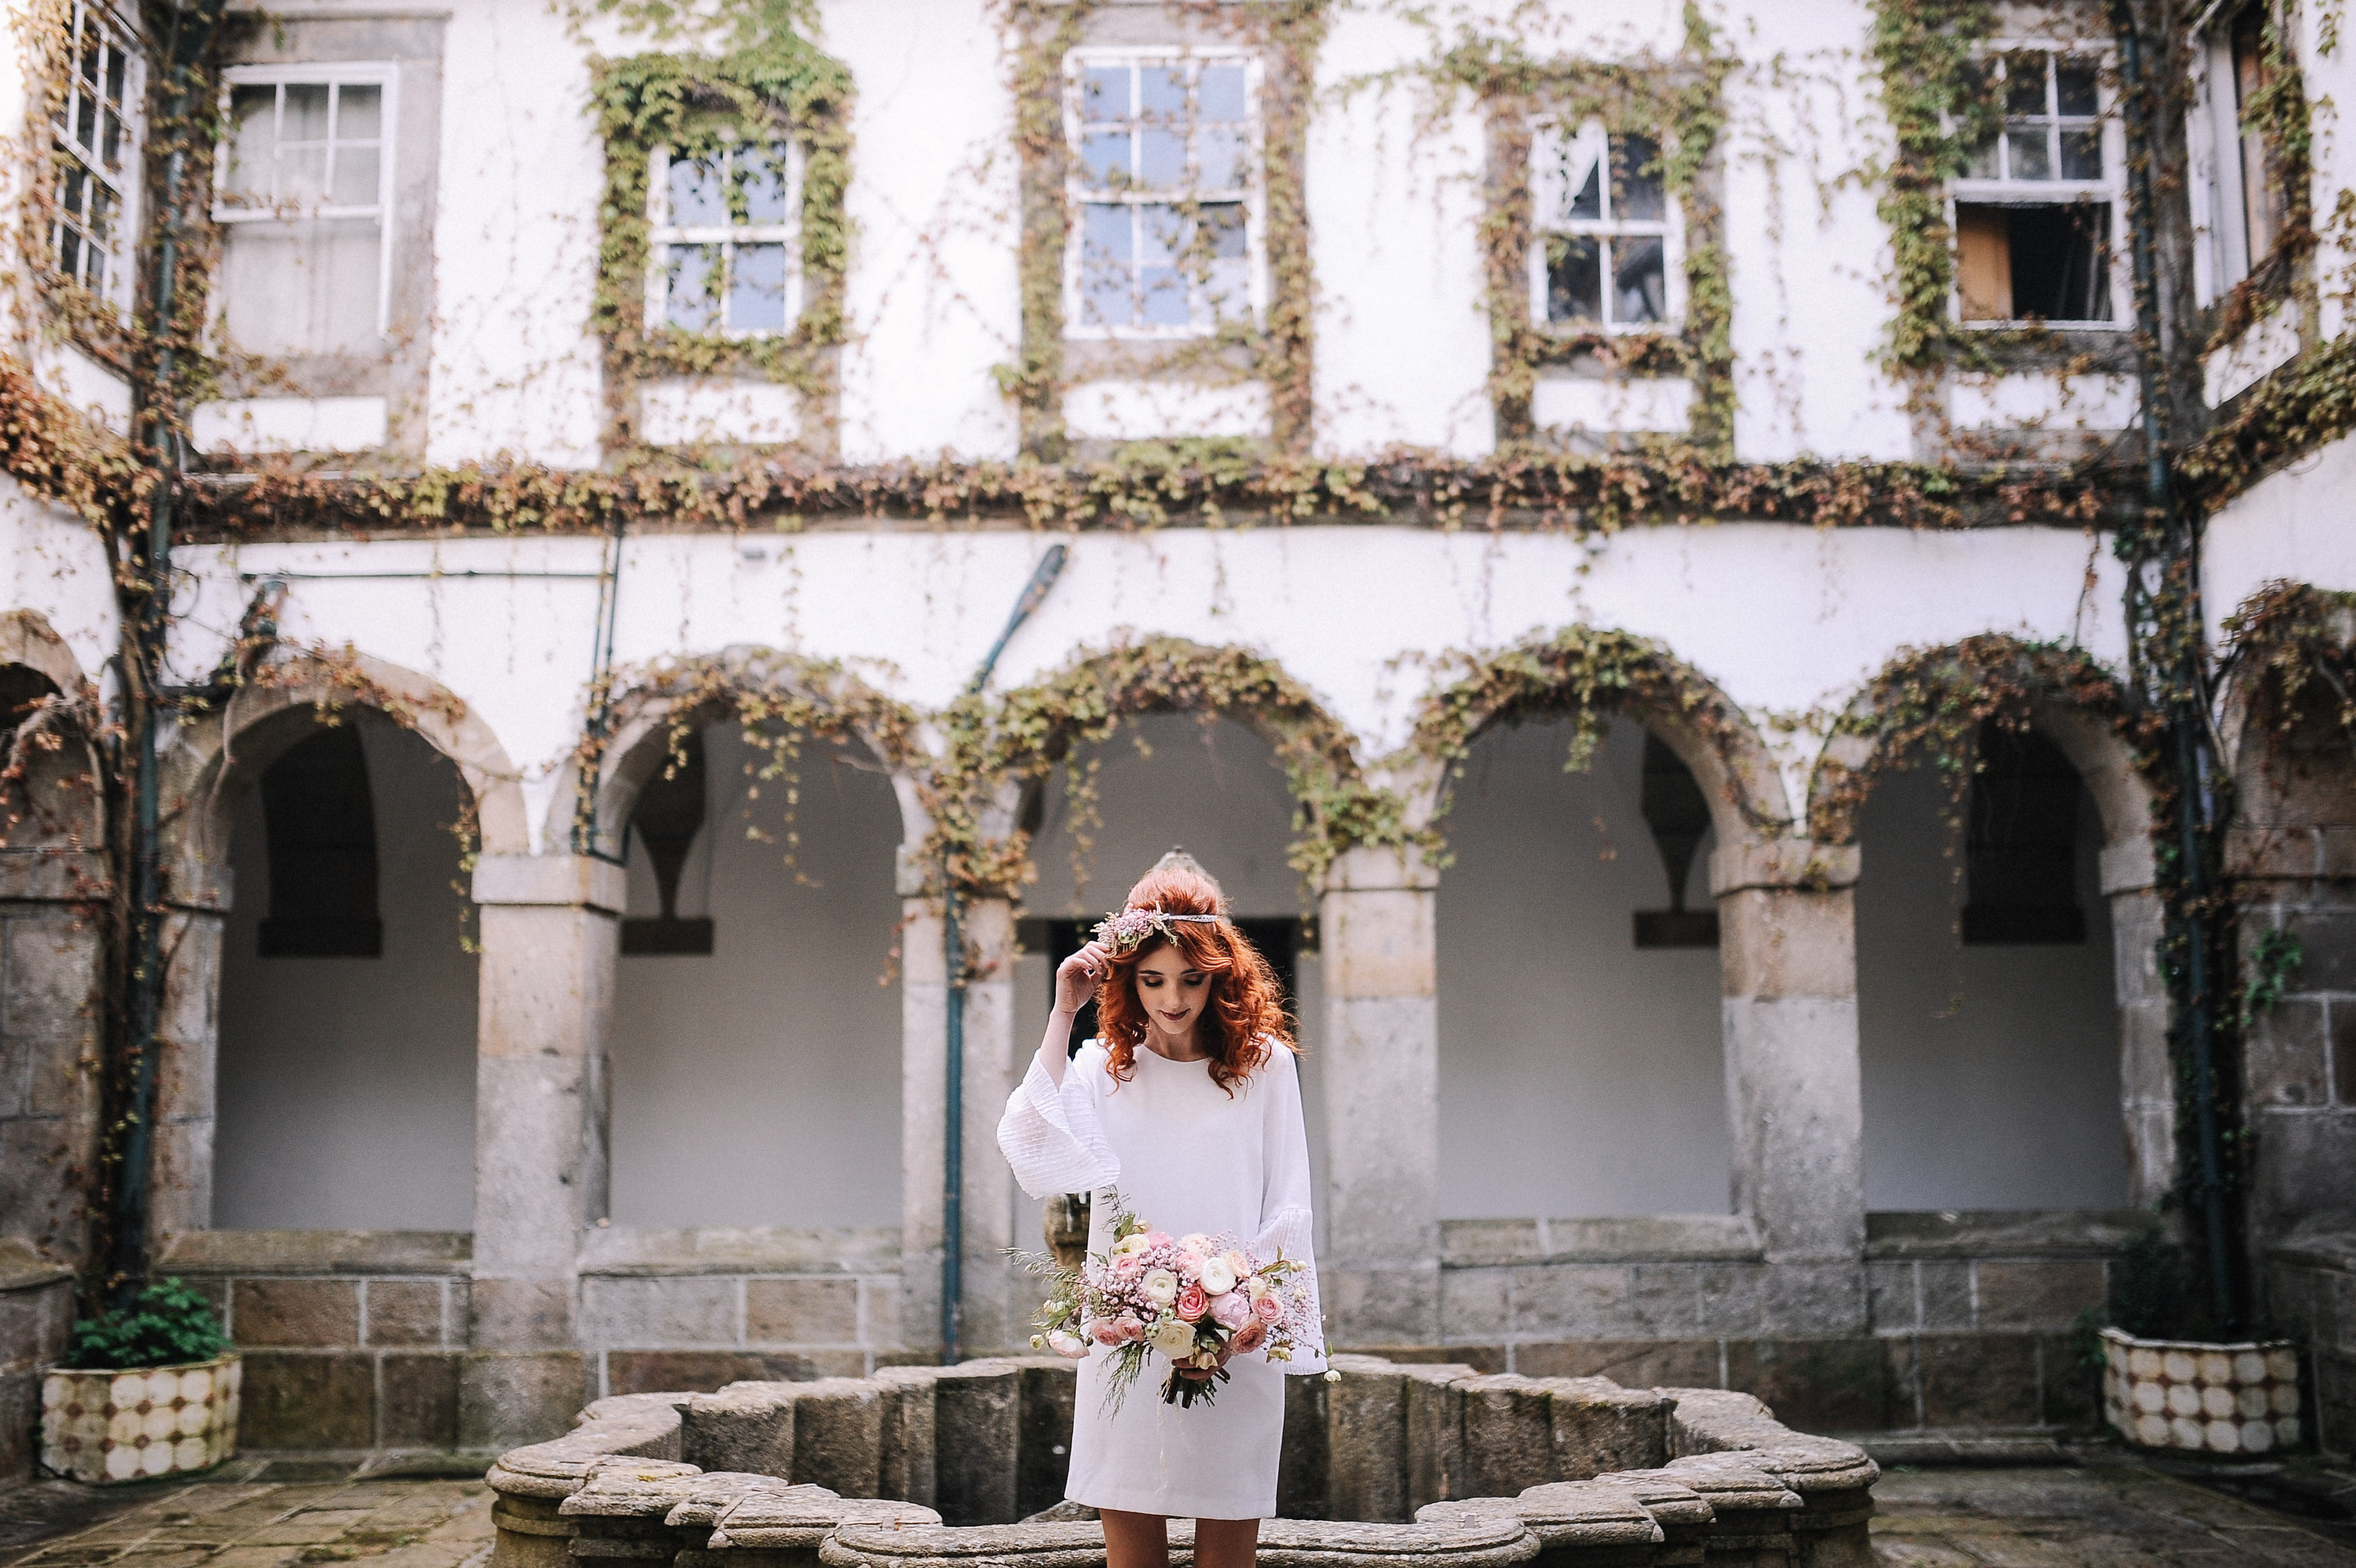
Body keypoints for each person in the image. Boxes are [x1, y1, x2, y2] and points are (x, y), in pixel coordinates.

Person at [997, 855, 1325, 1568]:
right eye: (1152, 979)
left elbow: (1287, 1200)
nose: (1172, 998)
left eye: (1191, 978)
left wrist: (1247, 1318)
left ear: (1220, 975)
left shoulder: (1265, 1064)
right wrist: (1063, 1010)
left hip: (1237, 1337)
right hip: (1127, 1333)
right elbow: (1027, 1140)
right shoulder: (1101, 1068)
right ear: (1127, 979)